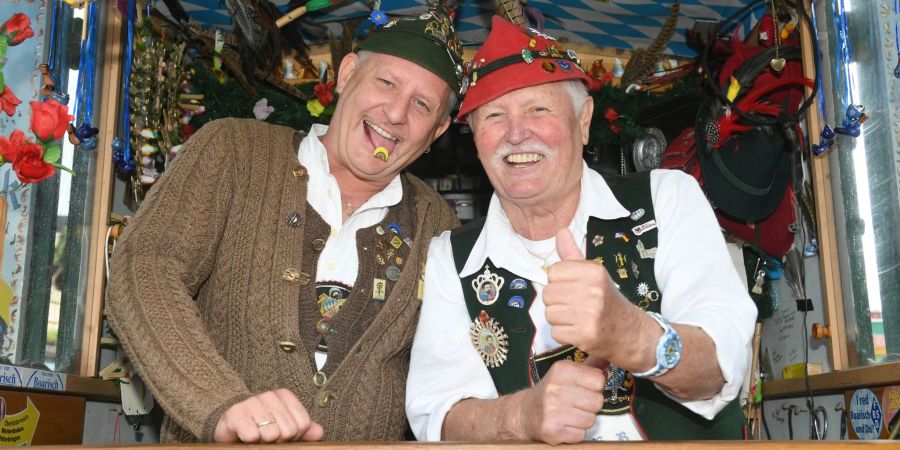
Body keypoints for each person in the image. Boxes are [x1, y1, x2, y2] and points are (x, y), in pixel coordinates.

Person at [106, 5, 465, 444]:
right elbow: (145, 268)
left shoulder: (440, 227)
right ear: (348, 73)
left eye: (422, 104)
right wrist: (220, 403)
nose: (395, 113)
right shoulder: (235, 150)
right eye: (386, 82)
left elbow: (450, 372)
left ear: (438, 130)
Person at [406, 16, 758, 444]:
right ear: (476, 139)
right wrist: (520, 416)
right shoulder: (451, 256)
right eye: (495, 115)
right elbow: (436, 417)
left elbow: (722, 366)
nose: (516, 134)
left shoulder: (666, 198)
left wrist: (629, 333)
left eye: (538, 109)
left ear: (584, 119)